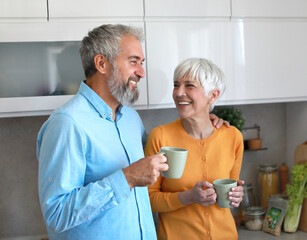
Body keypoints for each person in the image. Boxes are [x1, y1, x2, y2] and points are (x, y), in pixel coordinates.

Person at [37, 25, 226, 240]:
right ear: (101, 64)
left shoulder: (131, 119)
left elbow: (158, 158)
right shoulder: (67, 124)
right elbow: (56, 214)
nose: (142, 72)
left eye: (141, 63)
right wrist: (126, 179)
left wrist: (203, 119)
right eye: (133, 61)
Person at [145, 58, 245, 240]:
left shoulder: (233, 137)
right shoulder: (160, 137)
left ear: (213, 96)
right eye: (176, 85)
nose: (178, 93)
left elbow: (231, 191)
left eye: (189, 86)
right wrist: (188, 197)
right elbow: (147, 200)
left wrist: (236, 196)